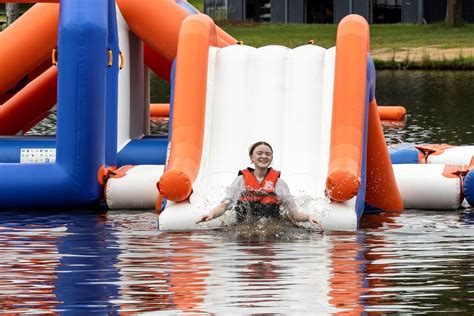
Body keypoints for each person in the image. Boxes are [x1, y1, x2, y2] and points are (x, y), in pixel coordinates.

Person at [197, 141, 322, 229]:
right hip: (244, 229)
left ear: (271, 157)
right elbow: (224, 205)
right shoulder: (241, 180)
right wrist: (211, 214)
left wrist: (309, 216)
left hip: (271, 230)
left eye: (268, 154)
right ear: (251, 157)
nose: (264, 156)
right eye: (259, 153)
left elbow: (295, 214)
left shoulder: (280, 184)